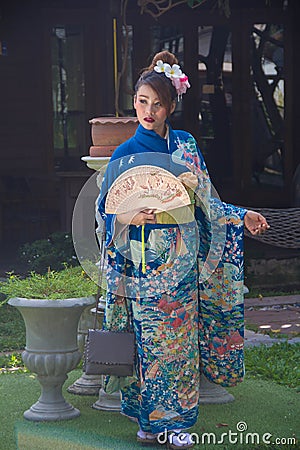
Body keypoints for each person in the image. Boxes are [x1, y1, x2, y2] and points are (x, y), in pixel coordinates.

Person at [97, 50, 269, 449]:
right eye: (142, 102)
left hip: (183, 261)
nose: (149, 111)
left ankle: (172, 423)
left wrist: (241, 215)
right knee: (149, 343)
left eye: (158, 104)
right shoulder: (124, 154)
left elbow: (207, 203)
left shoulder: (186, 147)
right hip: (143, 264)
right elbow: (107, 214)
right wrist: (126, 218)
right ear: (134, 102)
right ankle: (151, 420)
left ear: (172, 105)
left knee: (178, 344)